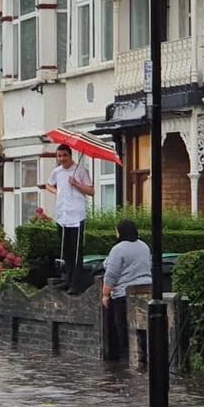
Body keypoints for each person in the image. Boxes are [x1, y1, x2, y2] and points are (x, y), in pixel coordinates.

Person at [42, 143, 94, 291]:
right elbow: (48, 185)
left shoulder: (81, 171)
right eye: (59, 156)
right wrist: (56, 191)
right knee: (66, 251)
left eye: (65, 155)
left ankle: (76, 283)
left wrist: (76, 184)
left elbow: (91, 191)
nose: (62, 159)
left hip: (76, 216)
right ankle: (67, 278)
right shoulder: (56, 172)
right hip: (62, 215)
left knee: (76, 251)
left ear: (70, 155)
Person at [102, 219, 152, 361]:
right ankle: (145, 357)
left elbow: (111, 274)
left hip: (123, 295)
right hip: (146, 291)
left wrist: (105, 295)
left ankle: (126, 358)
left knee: (122, 327)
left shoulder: (118, 249)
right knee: (143, 327)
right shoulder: (144, 246)